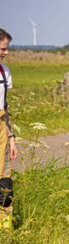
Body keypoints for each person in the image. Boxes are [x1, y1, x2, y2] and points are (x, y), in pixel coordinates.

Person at [0, 28, 18, 230]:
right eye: (2, 49)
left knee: (4, 183)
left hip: (2, 130)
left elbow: (4, 108)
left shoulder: (5, 72)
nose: (5, 53)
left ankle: (4, 229)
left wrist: (11, 137)